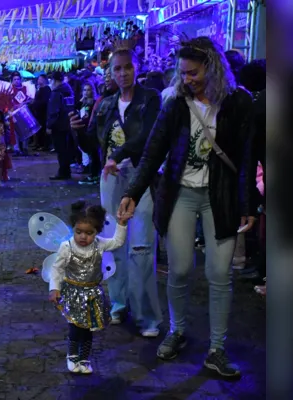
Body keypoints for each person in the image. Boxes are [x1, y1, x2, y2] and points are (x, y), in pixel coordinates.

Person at [117, 37, 256, 377]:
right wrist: (133, 192)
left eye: (193, 72)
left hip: (219, 198)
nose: (187, 79)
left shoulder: (238, 102)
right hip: (180, 194)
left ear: (212, 66)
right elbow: (154, 150)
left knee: (219, 274)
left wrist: (248, 203)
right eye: (183, 73)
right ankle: (177, 330)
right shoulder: (176, 102)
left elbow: (248, 156)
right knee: (179, 270)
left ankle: (217, 349)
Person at [70, 46, 163, 338]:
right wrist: (77, 131)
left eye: (128, 67)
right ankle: (119, 304)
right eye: (117, 69)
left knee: (142, 247)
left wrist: (118, 154)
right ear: (109, 72)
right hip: (111, 178)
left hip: (142, 177)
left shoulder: (150, 99)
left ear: (137, 68)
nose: (122, 73)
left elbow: (146, 138)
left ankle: (147, 316)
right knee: (113, 245)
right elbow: (93, 147)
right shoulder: (105, 104)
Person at [49, 201, 128, 373]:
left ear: (97, 231)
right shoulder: (67, 247)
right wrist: (54, 288)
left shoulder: (100, 244)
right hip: (73, 293)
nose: (83, 237)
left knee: (88, 330)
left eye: (89, 233)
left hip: (92, 294)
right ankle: (72, 355)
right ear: (73, 228)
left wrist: (121, 224)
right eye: (78, 232)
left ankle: (84, 358)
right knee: (75, 327)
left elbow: (118, 242)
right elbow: (57, 268)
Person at [46, 71, 76, 180]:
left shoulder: (56, 93)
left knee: (60, 150)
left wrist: (49, 125)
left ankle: (63, 172)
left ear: (54, 80)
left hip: (58, 126)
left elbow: (54, 111)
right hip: (68, 123)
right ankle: (66, 171)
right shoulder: (68, 90)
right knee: (66, 149)